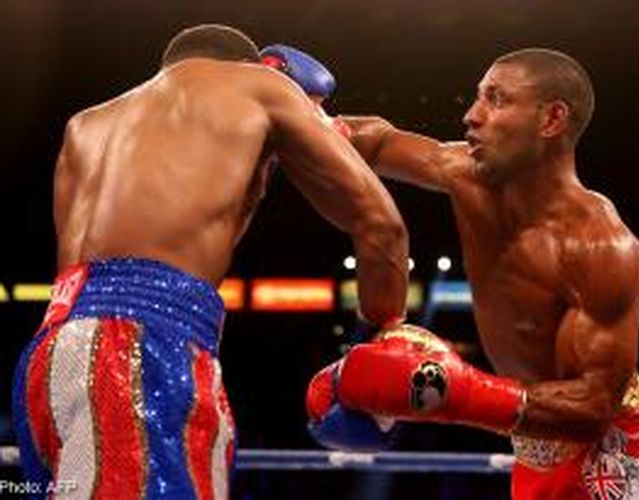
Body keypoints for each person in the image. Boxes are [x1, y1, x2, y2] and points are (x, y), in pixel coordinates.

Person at [11, 24, 408, 499]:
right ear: (244, 68)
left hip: (48, 355)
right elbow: (382, 226)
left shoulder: (86, 124)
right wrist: (378, 344)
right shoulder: (261, 86)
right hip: (141, 346)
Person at [303, 48, 639, 499]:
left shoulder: (600, 247)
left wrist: (459, 393)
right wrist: (299, 115)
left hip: (618, 446)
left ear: (551, 120)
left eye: (497, 100)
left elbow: (596, 406)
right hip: (534, 442)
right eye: (476, 98)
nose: (471, 116)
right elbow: (377, 141)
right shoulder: (464, 175)